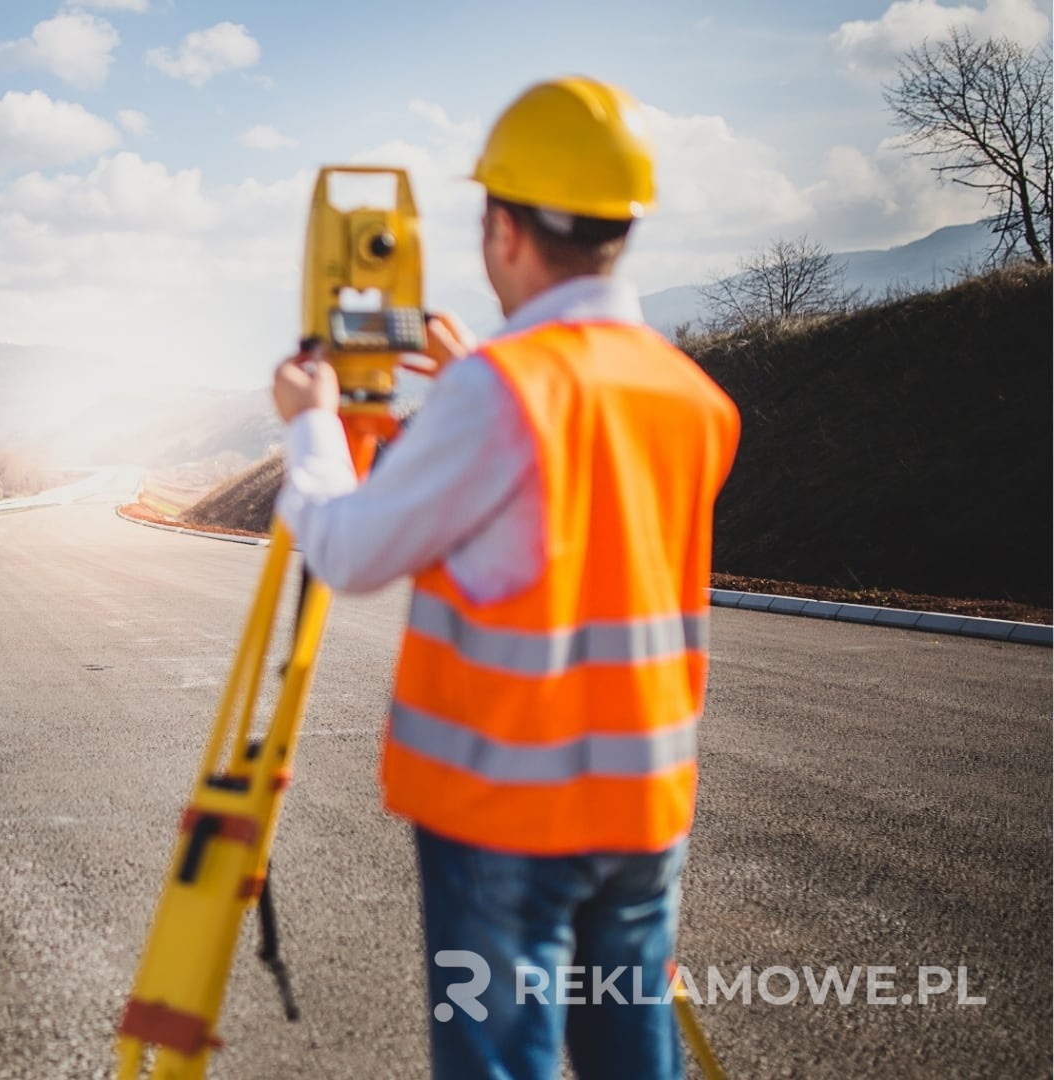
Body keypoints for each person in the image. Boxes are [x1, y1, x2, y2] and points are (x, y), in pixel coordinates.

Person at [271, 77, 741, 1079]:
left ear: (502, 228)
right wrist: (481, 370)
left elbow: (348, 551)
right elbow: (572, 480)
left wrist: (312, 421)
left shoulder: (500, 393)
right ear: (623, 227)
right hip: (644, 808)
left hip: (509, 815)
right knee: (630, 1058)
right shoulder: (690, 395)